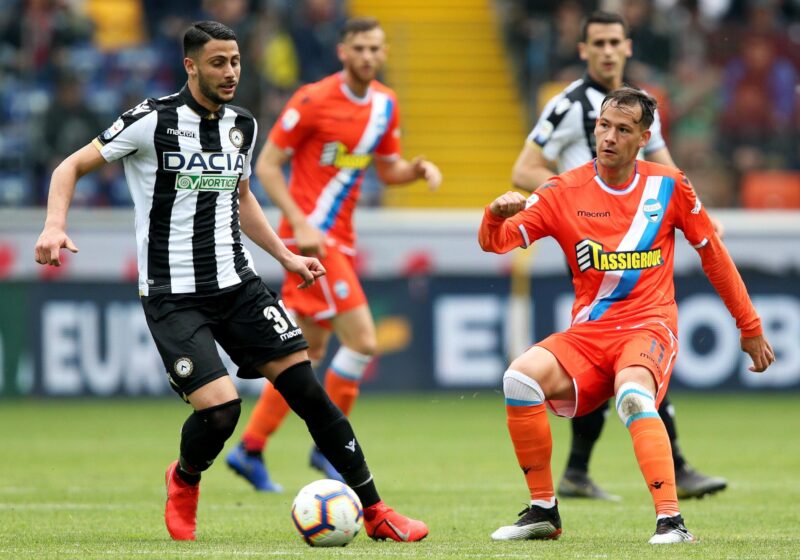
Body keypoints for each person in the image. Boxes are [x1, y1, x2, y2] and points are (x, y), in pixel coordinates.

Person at [33, 20, 428, 543]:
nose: (230, 72)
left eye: (236, 61)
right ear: (190, 66)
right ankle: (184, 478)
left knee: (308, 392)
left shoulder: (242, 124)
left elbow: (241, 198)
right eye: (218, 63)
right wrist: (54, 225)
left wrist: (286, 256)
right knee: (221, 411)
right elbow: (69, 167)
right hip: (173, 295)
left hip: (238, 286)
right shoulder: (151, 120)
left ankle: (375, 510)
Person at [482, 87, 774, 543]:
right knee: (519, 380)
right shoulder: (561, 190)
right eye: (603, 126)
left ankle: (671, 522)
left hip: (649, 325)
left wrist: (749, 326)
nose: (609, 137)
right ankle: (543, 511)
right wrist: (495, 215)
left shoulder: (669, 185)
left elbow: (713, 255)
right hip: (590, 333)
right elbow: (496, 242)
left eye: (622, 129)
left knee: (634, 396)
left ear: (643, 138)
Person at [511, 10, 727, 501]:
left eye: (615, 42)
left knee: (634, 349)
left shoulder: (639, 107)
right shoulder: (567, 105)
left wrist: (700, 214)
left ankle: (581, 469)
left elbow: (665, 167)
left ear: (629, 47)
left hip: (637, 232)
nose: (608, 51)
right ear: (583, 50)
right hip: (593, 241)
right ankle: (668, 466)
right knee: (622, 351)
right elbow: (523, 169)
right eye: (598, 43)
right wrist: (573, 196)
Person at [226, 16, 441, 490]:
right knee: (362, 340)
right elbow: (267, 166)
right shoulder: (313, 99)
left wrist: (416, 170)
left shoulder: (385, 104)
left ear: (383, 53)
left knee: (305, 353)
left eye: (375, 49)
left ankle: (250, 449)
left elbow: (388, 169)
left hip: (340, 239)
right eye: (359, 48)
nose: (368, 56)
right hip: (311, 241)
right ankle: (328, 448)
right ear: (343, 52)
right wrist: (299, 222)